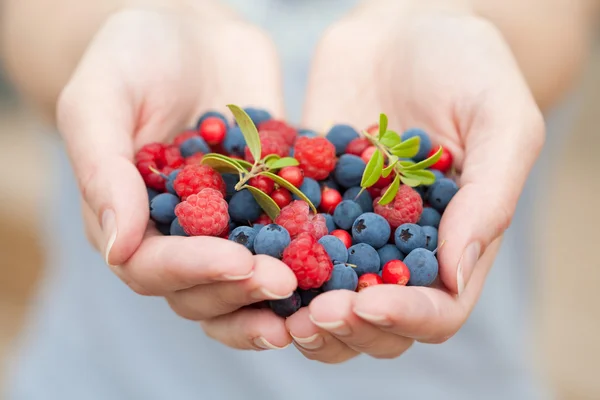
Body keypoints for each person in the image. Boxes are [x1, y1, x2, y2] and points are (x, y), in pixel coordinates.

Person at [1, 0, 598, 399]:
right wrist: (122, 31)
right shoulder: (232, 186)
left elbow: (554, 22)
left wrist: (470, 27)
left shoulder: (365, 204)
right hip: (108, 377)